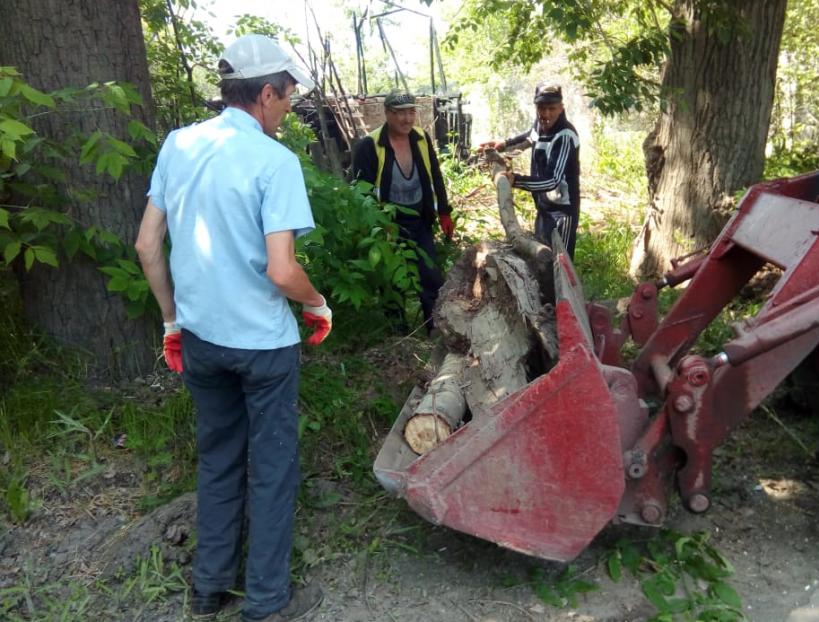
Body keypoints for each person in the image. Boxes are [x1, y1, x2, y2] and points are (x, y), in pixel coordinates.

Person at [135, 34, 330, 622]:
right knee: (272, 470)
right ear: (265, 92)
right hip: (263, 349)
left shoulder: (179, 144)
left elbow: (147, 245)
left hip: (201, 341)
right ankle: (267, 603)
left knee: (218, 459)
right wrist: (318, 305)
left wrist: (172, 321)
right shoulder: (276, 162)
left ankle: (208, 590)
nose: (291, 104)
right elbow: (282, 270)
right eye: (288, 93)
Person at [350, 92, 453, 333]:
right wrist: (376, 226)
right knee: (392, 282)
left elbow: (434, 176)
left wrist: (444, 212)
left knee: (432, 278)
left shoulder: (421, 138)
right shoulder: (370, 145)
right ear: (387, 114)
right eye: (400, 113)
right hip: (389, 226)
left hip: (420, 220)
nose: (407, 119)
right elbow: (361, 192)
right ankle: (398, 334)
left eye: (411, 112)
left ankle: (435, 329)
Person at [478, 83, 581, 258]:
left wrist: (515, 180)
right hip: (543, 208)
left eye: (551, 108)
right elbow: (529, 137)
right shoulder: (541, 125)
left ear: (561, 108)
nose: (546, 114)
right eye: (541, 108)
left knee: (561, 264)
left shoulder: (564, 136)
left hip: (562, 213)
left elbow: (552, 181)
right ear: (536, 107)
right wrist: (503, 144)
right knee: (543, 260)